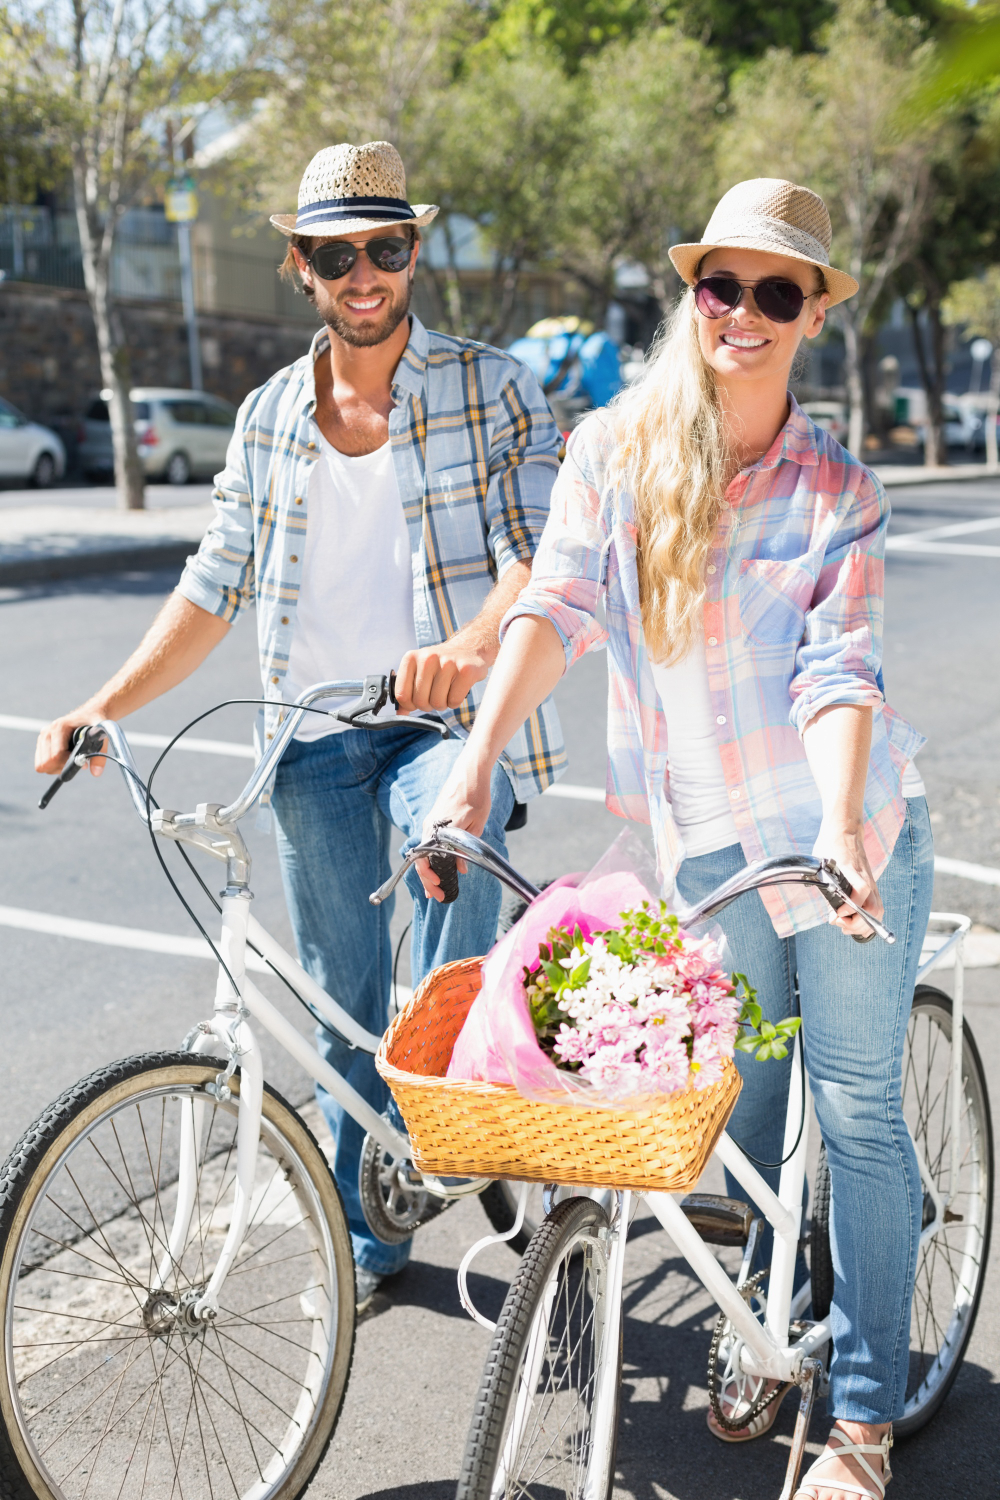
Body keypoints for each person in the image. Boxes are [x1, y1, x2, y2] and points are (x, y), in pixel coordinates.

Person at [418, 179, 931, 1500]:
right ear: (692, 296)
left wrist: (833, 825)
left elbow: (840, 674)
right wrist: (474, 765)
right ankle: (760, 1323)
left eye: (776, 292)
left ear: (814, 311)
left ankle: (863, 1421)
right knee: (742, 1109)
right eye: (724, 286)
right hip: (711, 860)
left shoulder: (840, 493)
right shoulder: (613, 451)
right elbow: (560, 601)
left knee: (858, 1112)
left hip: (839, 839)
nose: (744, 314)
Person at [34, 140, 566, 1313]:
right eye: (337, 253)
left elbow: (537, 562)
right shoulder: (270, 414)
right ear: (300, 264)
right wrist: (96, 708)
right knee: (336, 1001)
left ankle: (457, 1115)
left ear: (413, 251)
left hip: (447, 724)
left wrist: (470, 652)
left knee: (454, 849)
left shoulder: (495, 386)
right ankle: (367, 1242)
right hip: (310, 743)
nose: (364, 271)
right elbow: (211, 585)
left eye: (386, 246)